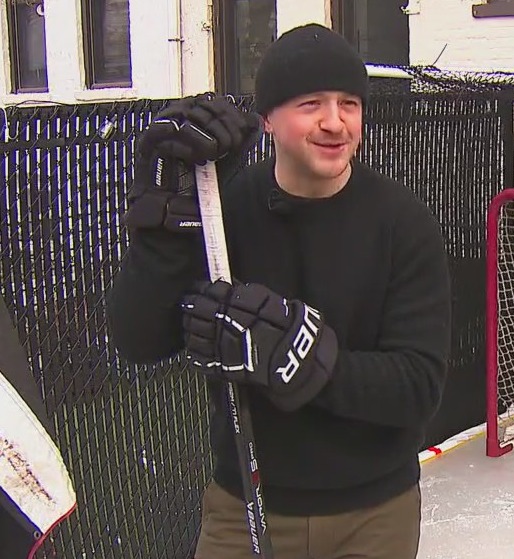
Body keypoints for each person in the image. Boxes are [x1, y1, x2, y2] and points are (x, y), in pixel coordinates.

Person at [105, 23, 452, 559]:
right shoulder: (227, 214)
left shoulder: (401, 222)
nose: (335, 122)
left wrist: (302, 360)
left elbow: (417, 386)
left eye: (349, 104)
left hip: (373, 515)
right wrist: (165, 239)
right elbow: (138, 340)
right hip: (245, 505)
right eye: (310, 103)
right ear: (267, 118)